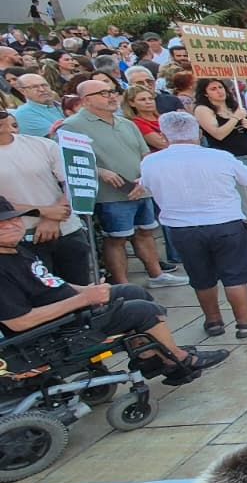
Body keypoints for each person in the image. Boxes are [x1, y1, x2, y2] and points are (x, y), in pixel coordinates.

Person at [0, 197, 227, 383]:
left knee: (129, 292)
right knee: (141, 310)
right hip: (50, 334)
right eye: (2, 224)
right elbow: (19, 322)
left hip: (67, 314)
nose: (12, 225)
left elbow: (51, 283)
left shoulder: (16, 250)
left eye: (14, 219)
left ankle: (148, 356)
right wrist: (81, 300)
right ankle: (178, 360)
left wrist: (85, 291)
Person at [139, 112, 247, 339]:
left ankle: (213, 321)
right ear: (199, 133)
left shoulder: (151, 161)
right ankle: (244, 321)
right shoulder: (220, 157)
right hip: (225, 222)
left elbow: (146, 186)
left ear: (164, 135)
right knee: (235, 276)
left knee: (200, 277)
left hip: (182, 228)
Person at [59, 79, 190, 288]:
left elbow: (145, 153)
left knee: (146, 232)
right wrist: (100, 171)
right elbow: (69, 161)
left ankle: (157, 275)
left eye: (112, 91)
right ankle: (122, 283)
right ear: (86, 100)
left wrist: (144, 178)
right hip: (110, 195)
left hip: (140, 188)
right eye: (103, 93)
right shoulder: (73, 126)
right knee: (117, 238)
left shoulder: (126, 123)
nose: (111, 96)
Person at [0, 107, 94, 283]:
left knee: (80, 290)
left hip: (67, 230)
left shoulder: (42, 145)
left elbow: (73, 182)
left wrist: (54, 218)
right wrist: (45, 212)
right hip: (18, 240)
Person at [193, 79, 247, 235]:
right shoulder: (203, 109)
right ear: (205, 93)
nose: (219, 91)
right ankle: (243, 228)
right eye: (213, 88)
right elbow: (218, 134)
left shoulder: (235, 106)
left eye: (221, 87)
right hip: (229, 155)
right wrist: (234, 118)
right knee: (241, 195)